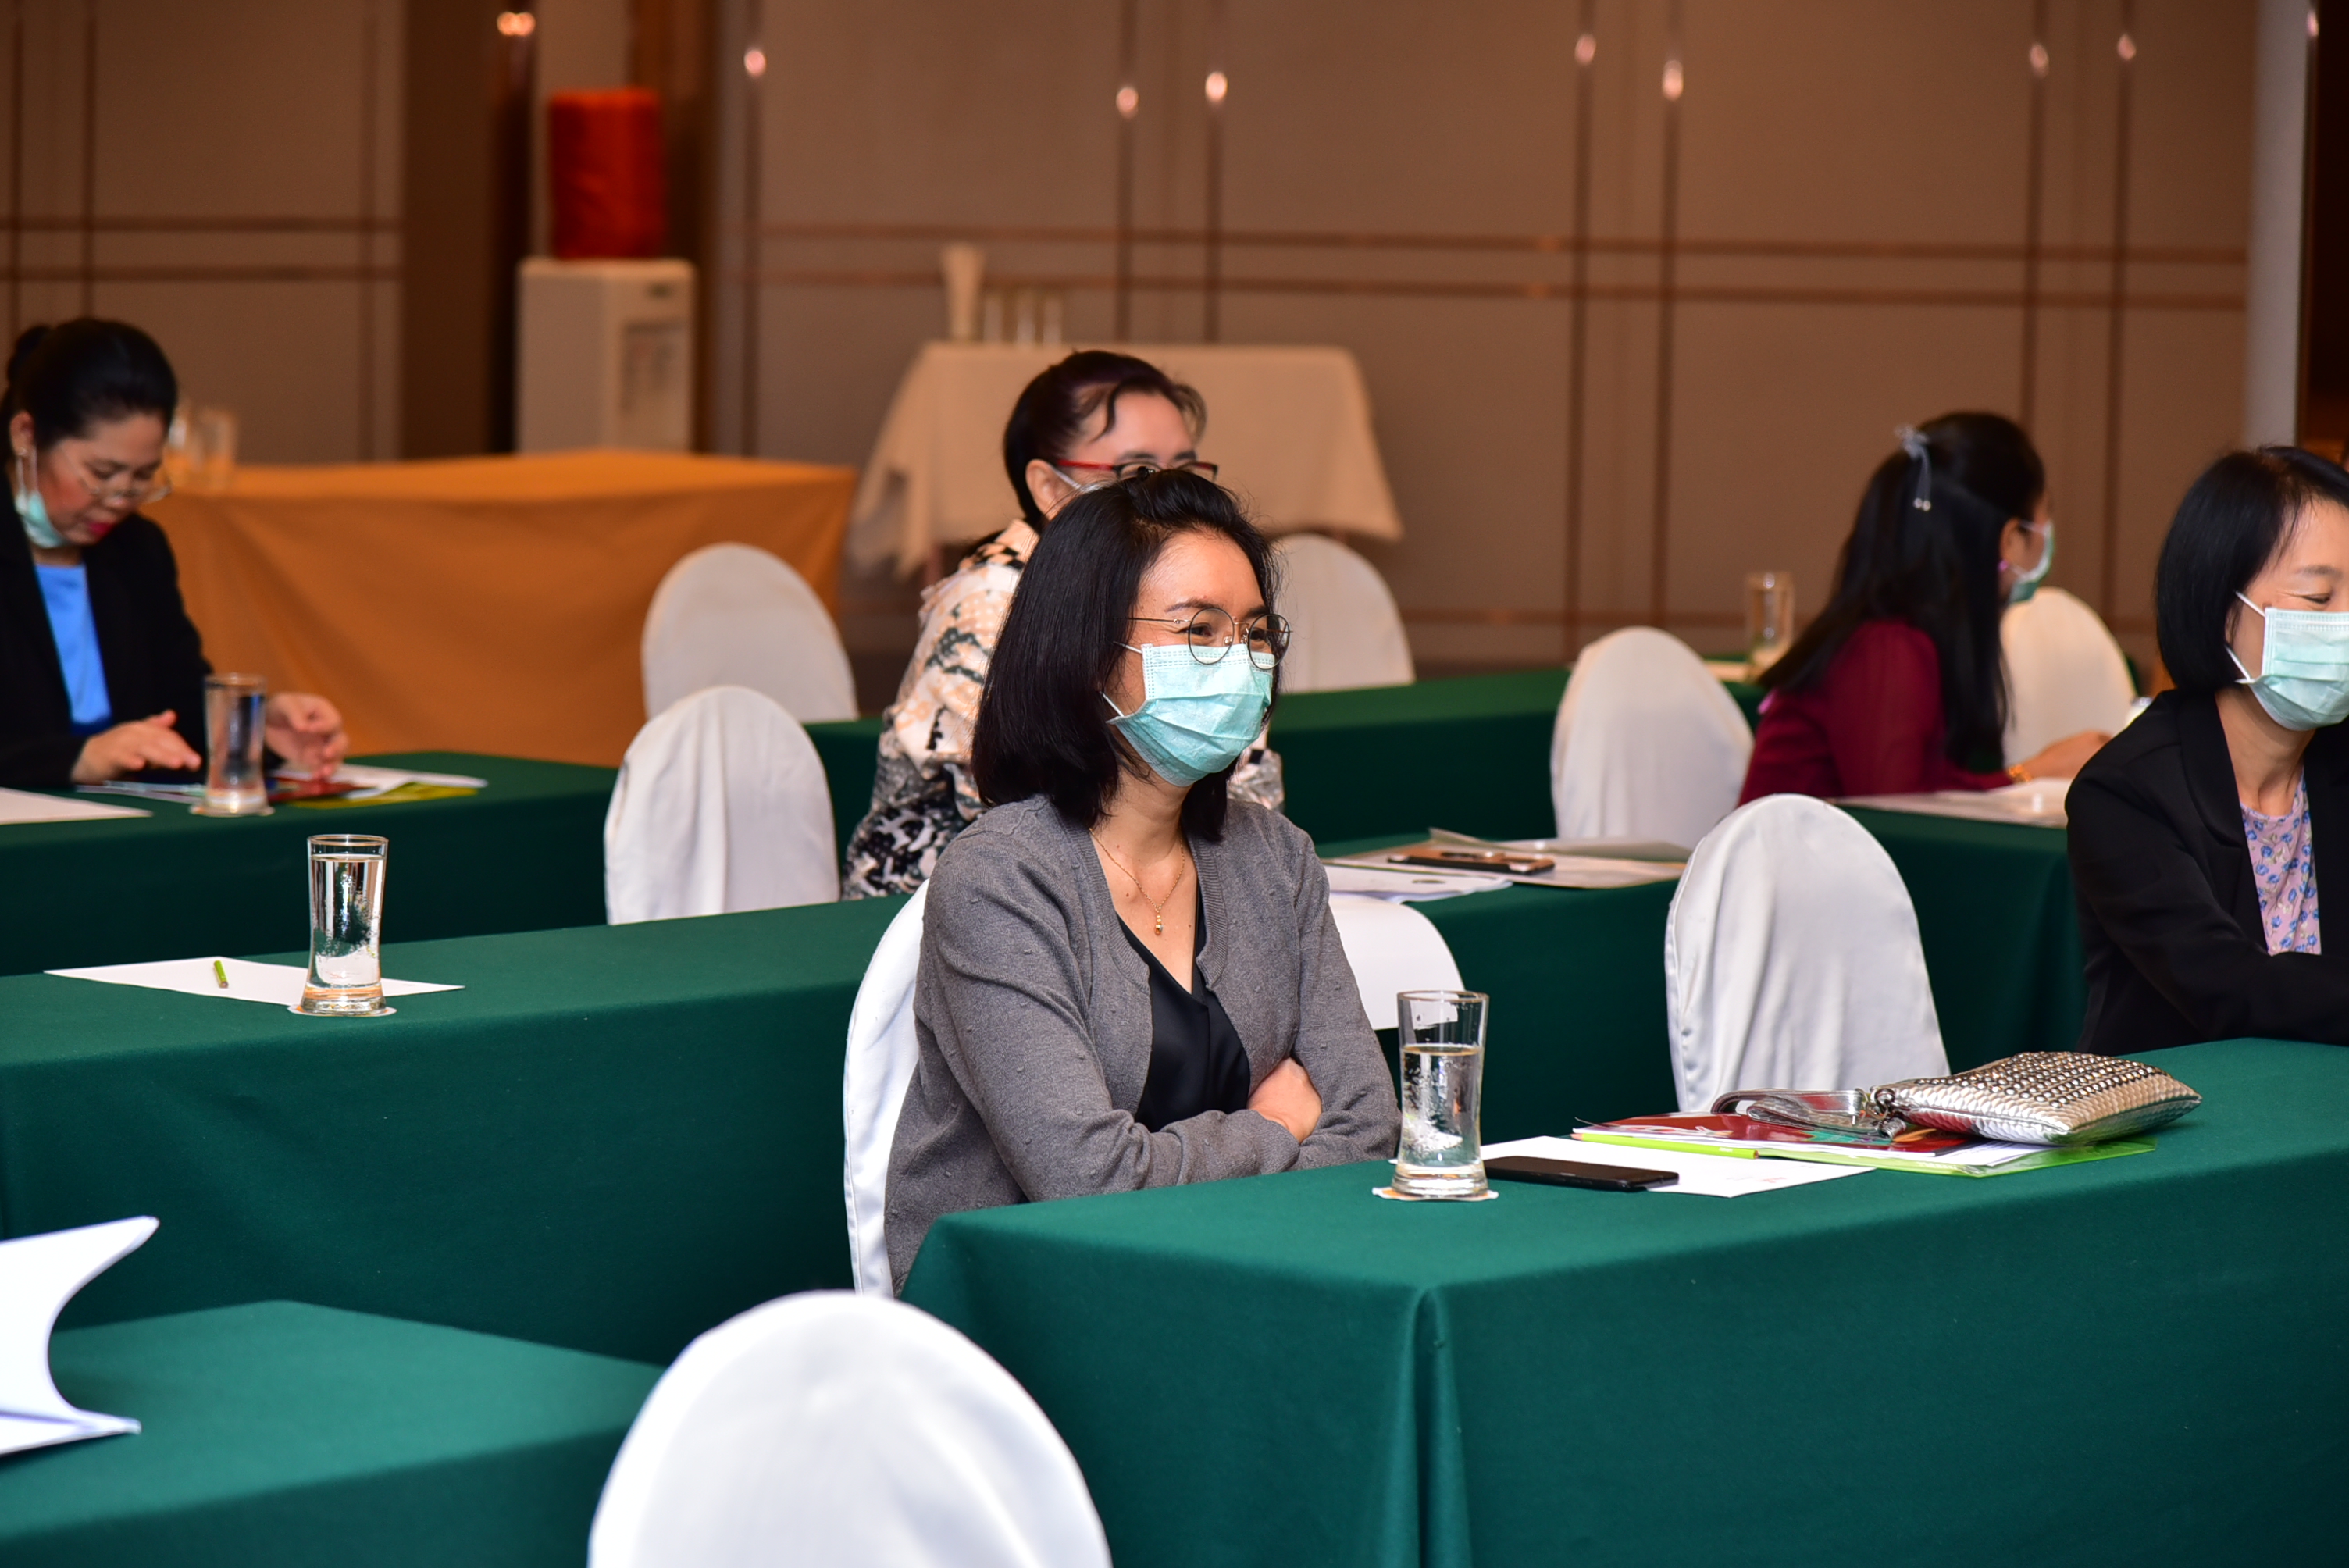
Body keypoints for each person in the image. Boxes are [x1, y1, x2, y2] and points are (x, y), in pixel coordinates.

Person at [882, 471, 1398, 1291]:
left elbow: (1368, 1127)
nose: (1239, 662)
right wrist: (1273, 1128)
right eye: (1199, 631)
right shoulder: (1000, 878)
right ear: (1087, 655)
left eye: (1255, 633)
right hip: (1035, 1301)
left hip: (1248, 1275)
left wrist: (1198, 1169)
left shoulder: (1274, 857)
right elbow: (1088, 1184)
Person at [843, 349, 1281, 898]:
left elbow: (1250, 796)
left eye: (1186, 471)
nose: (1166, 494)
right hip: (952, 908)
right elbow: (1024, 816)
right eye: (1139, 473)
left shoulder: (1210, 592)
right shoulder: (988, 602)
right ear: (1050, 489)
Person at [2069, 447, 2349, 1053]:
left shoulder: (2335, 759)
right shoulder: (2124, 792)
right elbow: (2228, 988)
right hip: (2182, 1102)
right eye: (2320, 598)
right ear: (2224, 611)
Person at [0, 319, 345, 788]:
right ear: (26, 435)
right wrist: (77, 759)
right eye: (101, 473)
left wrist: (252, 729)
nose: (120, 500)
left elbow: (177, 707)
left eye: (143, 477)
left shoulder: (137, 550)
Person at [1740, 413, 2108, 802]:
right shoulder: (1887, 649)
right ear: (2010, 540)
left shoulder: (1904, 640)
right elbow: (1897, 811)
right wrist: (2033, 774)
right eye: (2044, 514)